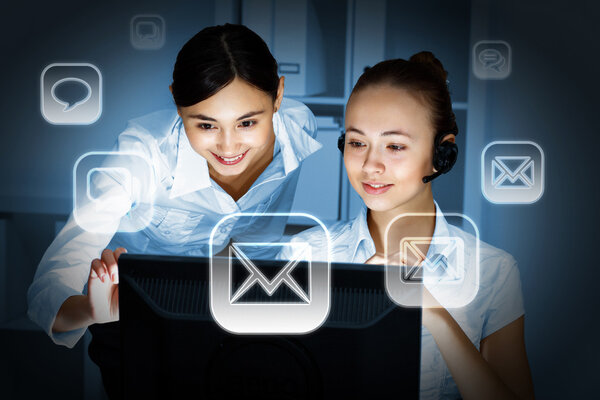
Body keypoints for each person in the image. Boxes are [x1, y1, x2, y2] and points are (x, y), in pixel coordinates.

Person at [27, 23, 320, 397]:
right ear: (177, 103)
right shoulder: (139, 157)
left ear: (278, 96)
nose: (229, 147)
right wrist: (91, 310)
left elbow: (257, 242)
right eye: (206, 124)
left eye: (248, 122)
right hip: (131, 319)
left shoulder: (298, 131)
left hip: (226, 312)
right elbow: (48, 287)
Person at [279, 52, 535, 399]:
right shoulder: (303, 256)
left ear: (442, 154)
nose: (371, 165)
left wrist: (433, 313)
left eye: (395, 146)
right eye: (357, 143)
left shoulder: (492, 272)